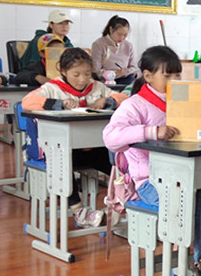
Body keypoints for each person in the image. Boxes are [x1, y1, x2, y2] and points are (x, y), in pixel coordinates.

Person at [103, 46, 201, 276]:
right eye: (167, 75)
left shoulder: (186, 98)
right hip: (151, 182)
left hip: (189, 174)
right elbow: (110, 138)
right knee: (198, 196)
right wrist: (151, 132)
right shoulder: (135, 105)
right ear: (148, 76)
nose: (174, 80)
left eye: (177, 75)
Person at [22, 48, 125, 227]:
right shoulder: (53, 88)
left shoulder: (97, 87)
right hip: (59, 151)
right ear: (63, 71)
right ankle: (79, 211)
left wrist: (107, 101)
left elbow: (124, 98)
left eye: (87, 73)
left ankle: (121, 205)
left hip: (92, 149)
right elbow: (27, 102)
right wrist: (59, 103)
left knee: (119, 166)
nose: (82, 79)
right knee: (62, 164)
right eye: (76, 74)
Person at [90, 15, 139, 85]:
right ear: (111, 30)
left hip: (125, 78)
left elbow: (134, 66)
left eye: (125, 35)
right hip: (105, 80)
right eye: (119, 34)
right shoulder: (98, 44)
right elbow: (96, 70)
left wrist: (130, 71)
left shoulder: (128, 45)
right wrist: (115, 73)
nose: (122, 38)